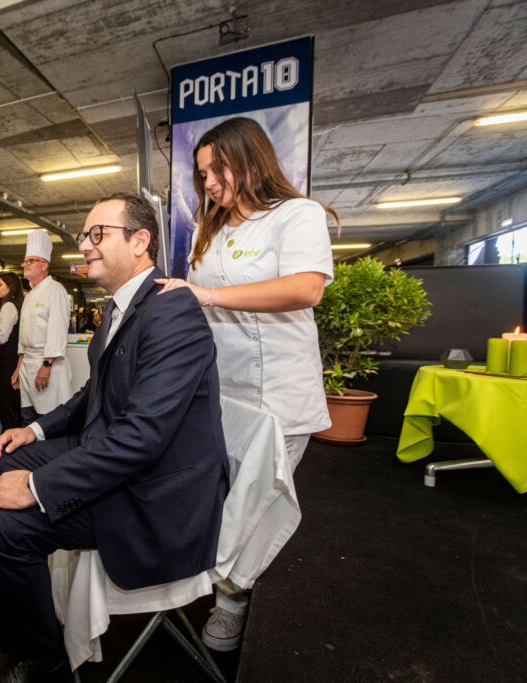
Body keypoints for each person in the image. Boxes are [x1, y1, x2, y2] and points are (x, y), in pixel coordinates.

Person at [0, 194, 228, 682]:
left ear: (140, 241)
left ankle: (45, 661)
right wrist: (34, 429)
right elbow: (94, 394)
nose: (84, 245)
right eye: (83, 235)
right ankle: (19, 616)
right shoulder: (121, 308)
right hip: (116, 456)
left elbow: (141, 438)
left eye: (97, 234)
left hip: (153, 494)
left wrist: (37, 487)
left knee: (4, 528)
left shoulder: (173, 311)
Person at [156, 116, 335, 652]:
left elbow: (306, 289)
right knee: (225, 496)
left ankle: (232, 598)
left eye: (218, 169)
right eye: (202, 174)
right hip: (223, 388)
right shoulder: (210, 230)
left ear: (251, 159)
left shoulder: (297, 215)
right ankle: (210, 576)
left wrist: (206, 296)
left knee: (260, 501)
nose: (209, 183)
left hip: (279, 390)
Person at [14, 230, 72, 425]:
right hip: (27, 365)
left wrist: (46, 365)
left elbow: (57, 331)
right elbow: (24, 335)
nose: (25, 265)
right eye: (25, 261)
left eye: (31, 261)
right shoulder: (30, 295)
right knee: (28, 417)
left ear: (45, 265)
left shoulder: (55, 290)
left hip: (48, 365)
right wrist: (19, 366)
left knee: (49, 421)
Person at [0, 272, 25, 430]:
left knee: (7, 407)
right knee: (16, 405)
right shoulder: (19, 304)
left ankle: (9, 439)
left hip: (8, 361)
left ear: (10, 286)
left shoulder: (8, 306)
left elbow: (2, 337)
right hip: (16, 359)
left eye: (0, 285)